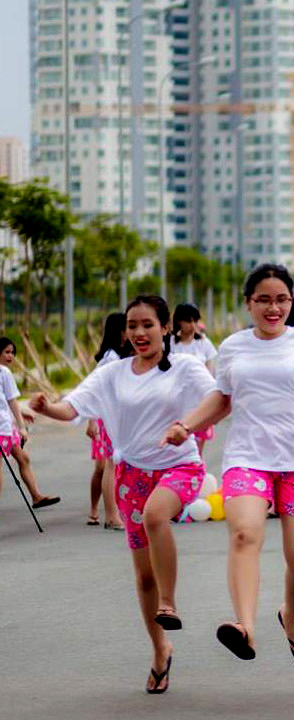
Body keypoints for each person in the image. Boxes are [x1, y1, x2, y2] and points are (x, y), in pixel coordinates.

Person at [167, 264, 294, 665]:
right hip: (247, 458)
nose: (273, 308)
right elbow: (222, 399)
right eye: (264, 300)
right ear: (248, 303)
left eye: (281, 299)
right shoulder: (233, 346)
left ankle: (291, 616)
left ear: (291, 301)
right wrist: (187, 425)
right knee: (244, 534)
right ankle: (245, 628)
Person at [29, 295, 217, 694]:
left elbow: (218, 400)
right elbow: (72, 408)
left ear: (165, 328)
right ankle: (160, 650)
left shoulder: (185, 367)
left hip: (180, 467)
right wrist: (46, 407)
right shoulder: (113, 373)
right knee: (143, 575)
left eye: (148, 325)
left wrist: (186, 426)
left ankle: (169, 603)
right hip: (132, 475)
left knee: (156, 515)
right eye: (132, 326)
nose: (139, 333)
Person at [0, 336, 60, 509]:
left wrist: (21, 415)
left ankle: (36, 496)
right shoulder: (4, 372)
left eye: (12, 352)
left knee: (23, 458)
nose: (10, 356)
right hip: (3, 429)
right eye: (7, 352)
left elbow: (8, 400)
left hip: (6, 426)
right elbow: (10, 400)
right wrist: (21, 426)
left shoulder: (4, 372)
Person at [87, 311, 129, 530]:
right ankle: (111, 515)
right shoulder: (110, 359)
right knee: (110, 465)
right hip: (109, 417)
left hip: (118, 417)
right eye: (129, 327)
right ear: (120, 331)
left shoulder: (119, 355)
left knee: (116, 465)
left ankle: (116, 512)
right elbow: (96, 389)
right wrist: (92, 421)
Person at [172, 303, 218, 452]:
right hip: (177, 402)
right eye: (188, 321)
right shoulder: (170, 344)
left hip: (199, 403)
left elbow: (210, 373)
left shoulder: (203, 343)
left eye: (195, 321)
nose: (192, 325)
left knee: (197, 451)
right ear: (179, 321)